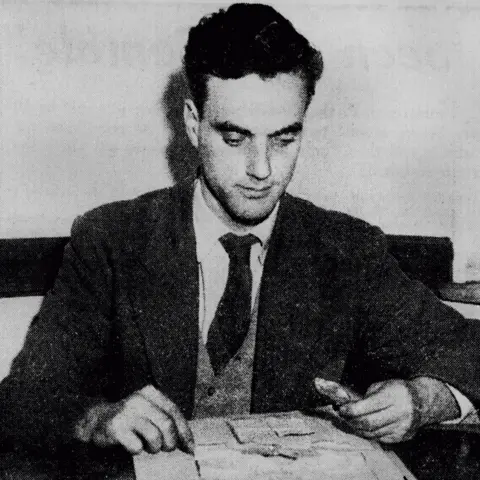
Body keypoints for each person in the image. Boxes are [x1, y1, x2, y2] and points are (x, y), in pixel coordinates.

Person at [1, 2, 479, 463]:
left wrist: (428, 398)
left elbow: (469, 351)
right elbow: (25, 398)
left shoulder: (345, 250)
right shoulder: (111, 240)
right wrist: (99, 418)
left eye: (284, 138)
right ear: (193, 124)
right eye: (235, 138)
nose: (262, 169)